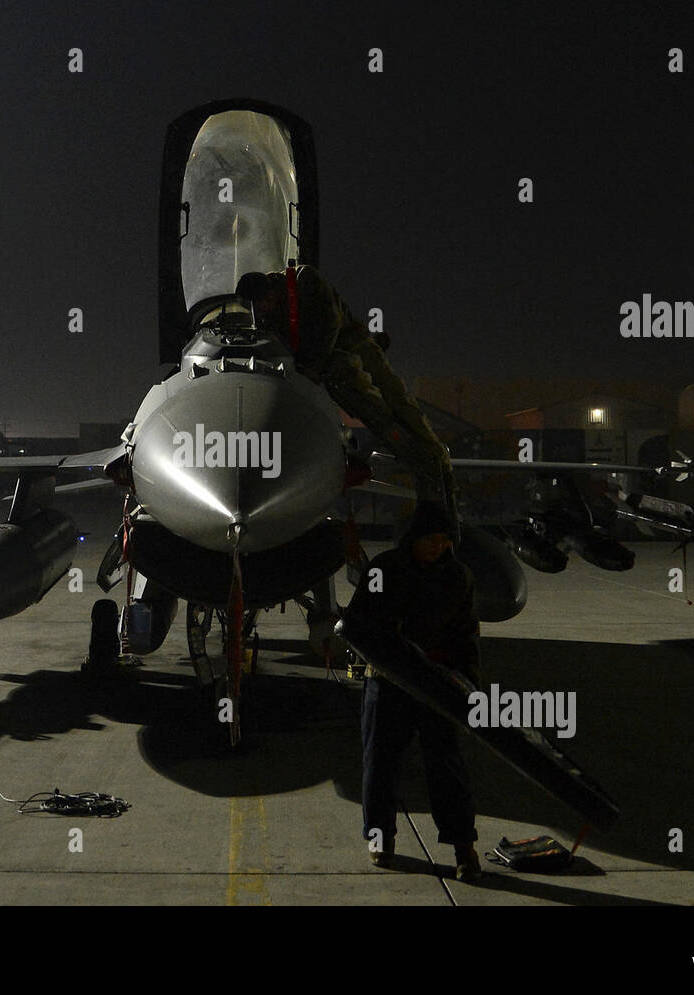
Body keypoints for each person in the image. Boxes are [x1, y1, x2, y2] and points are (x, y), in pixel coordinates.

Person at [235, 265, 460, 541]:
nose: (263, 310)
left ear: (270, 290)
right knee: (380, 401)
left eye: (263, 302)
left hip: (354, 348)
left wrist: (312, 372)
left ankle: (437, 461)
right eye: (256, 307)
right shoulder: (267, 315)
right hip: (331, 364)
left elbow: (328, 326)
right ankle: (432, 464)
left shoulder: (305, 281)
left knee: (398, 403)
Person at [342, 499, 483, 881]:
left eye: (444, 539)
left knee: (446, 765)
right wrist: (382, 658)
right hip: (388, 682)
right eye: (430, 539)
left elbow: (467, 636)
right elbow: (355, 624)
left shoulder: (458, 578)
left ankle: (463, 847)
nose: (438, 546)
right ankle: (379, 837)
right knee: (380, 762)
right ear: (412, 538)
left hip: (437, 684)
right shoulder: (383, 571)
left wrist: (469, 686)